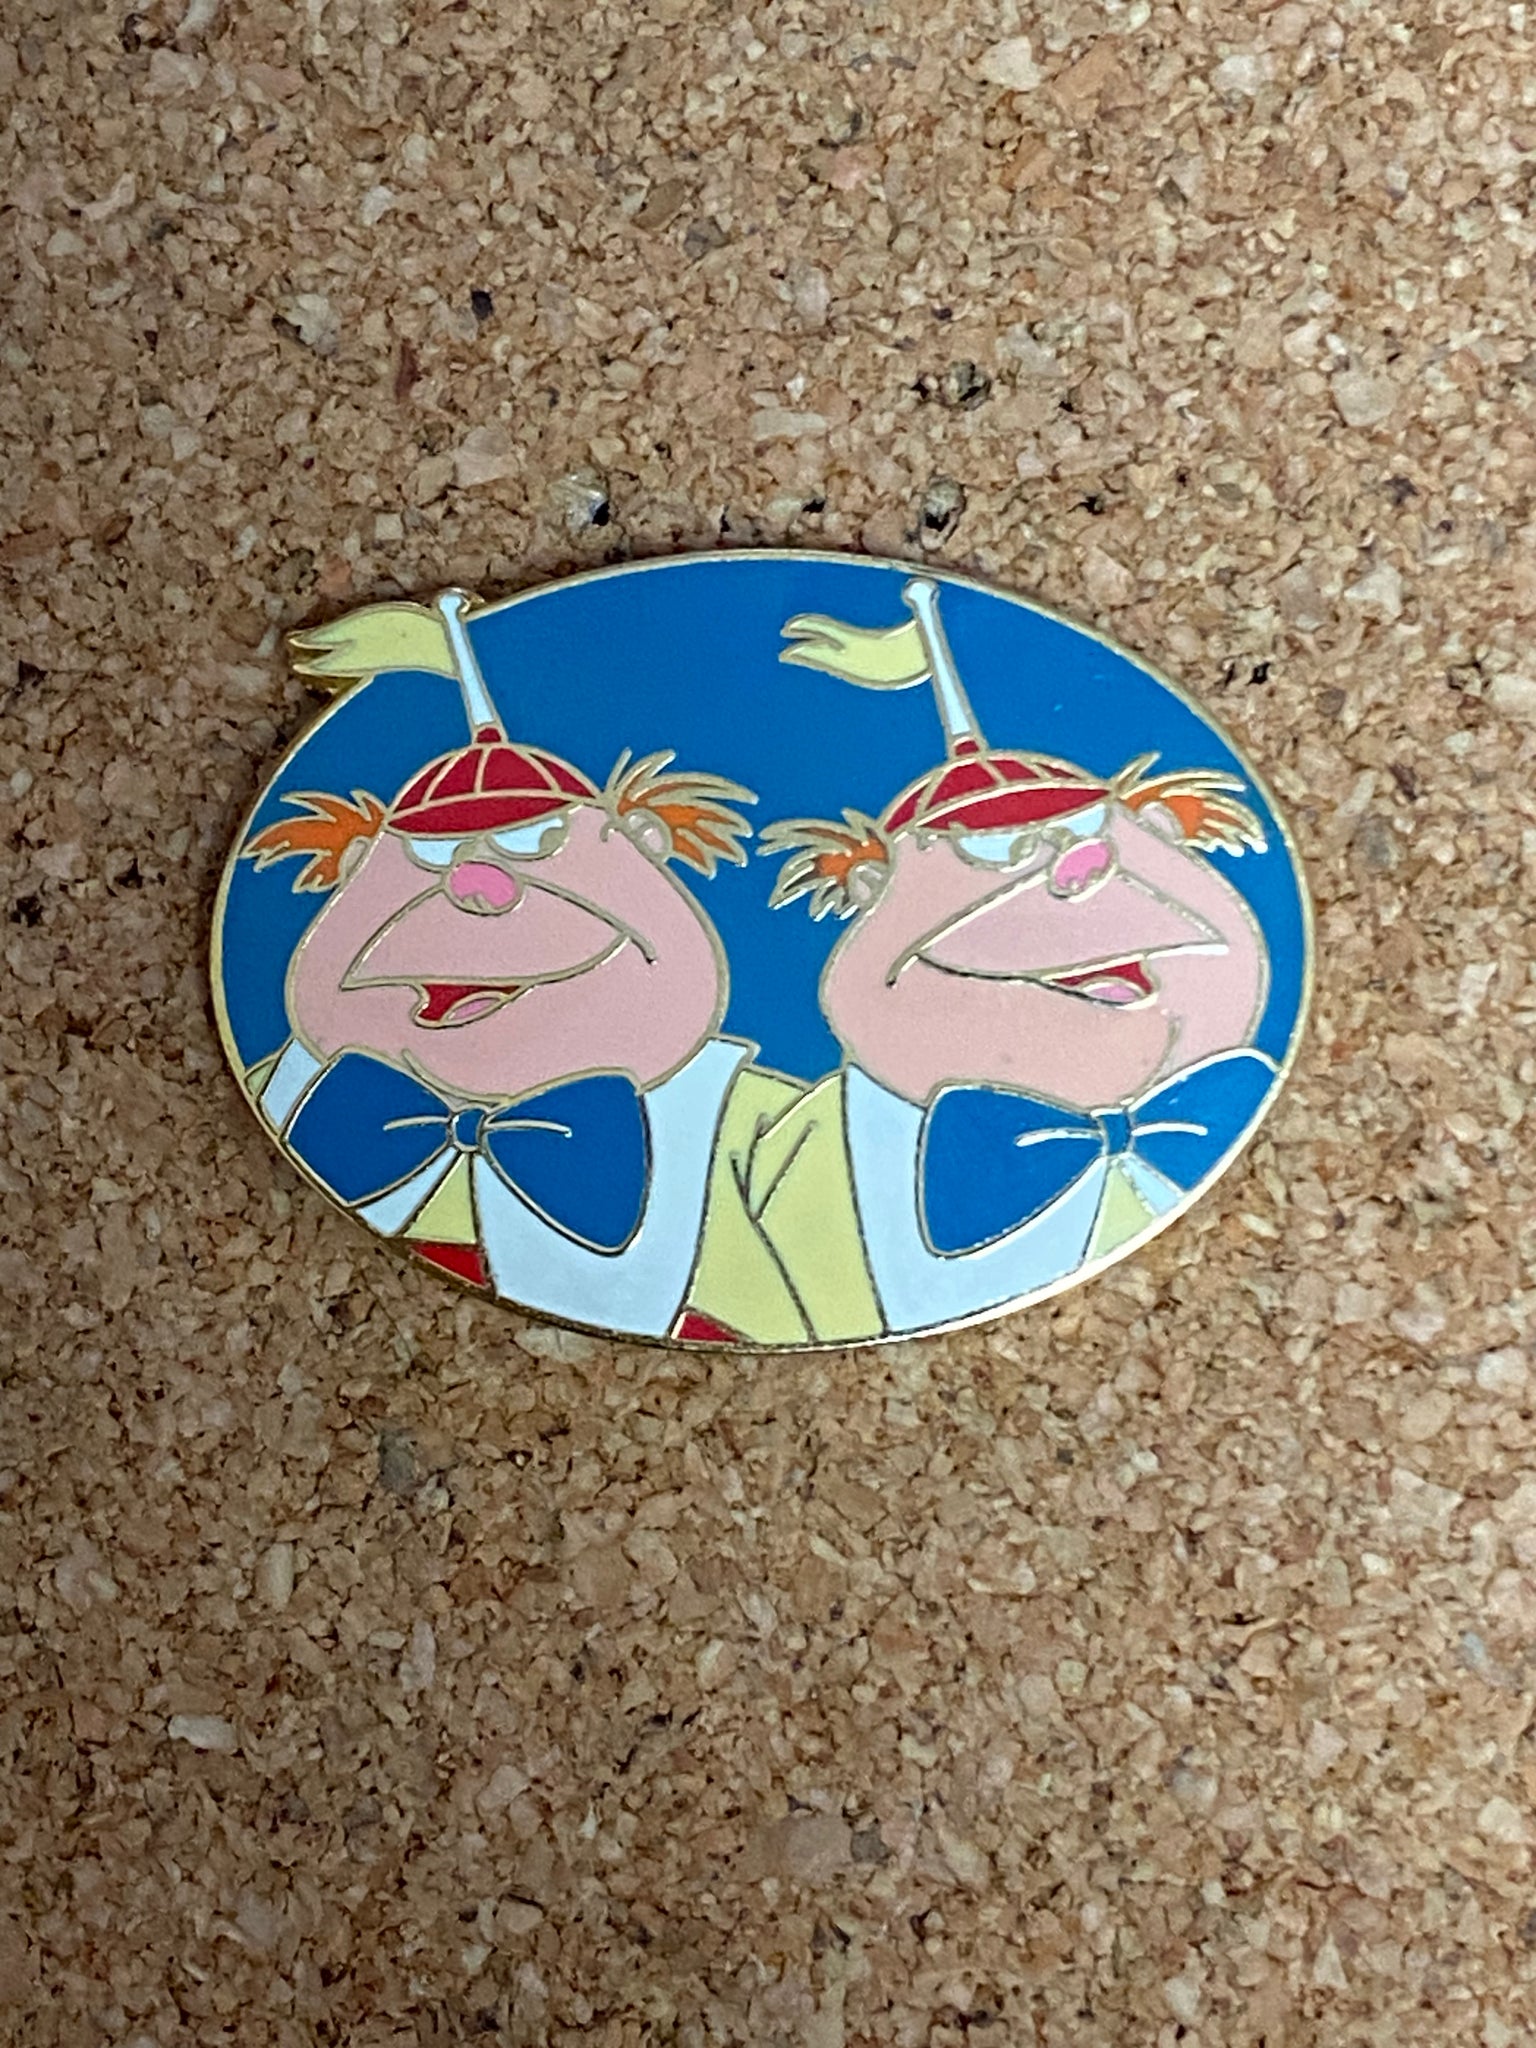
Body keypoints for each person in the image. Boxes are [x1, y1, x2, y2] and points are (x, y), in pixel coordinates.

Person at [719, 577, 1277, 1344]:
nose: (1073, 877)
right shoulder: (767, 1175)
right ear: (870, 891)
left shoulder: (1233, 1119)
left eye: (1089, 835)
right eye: (997, 851)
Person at [240, 591, 797, 1343]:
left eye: (535, 842)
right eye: (430, 853)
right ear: (353, 868)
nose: (480, 887)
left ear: (645, 842)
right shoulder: (280, 1101)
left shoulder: (759, 1129)